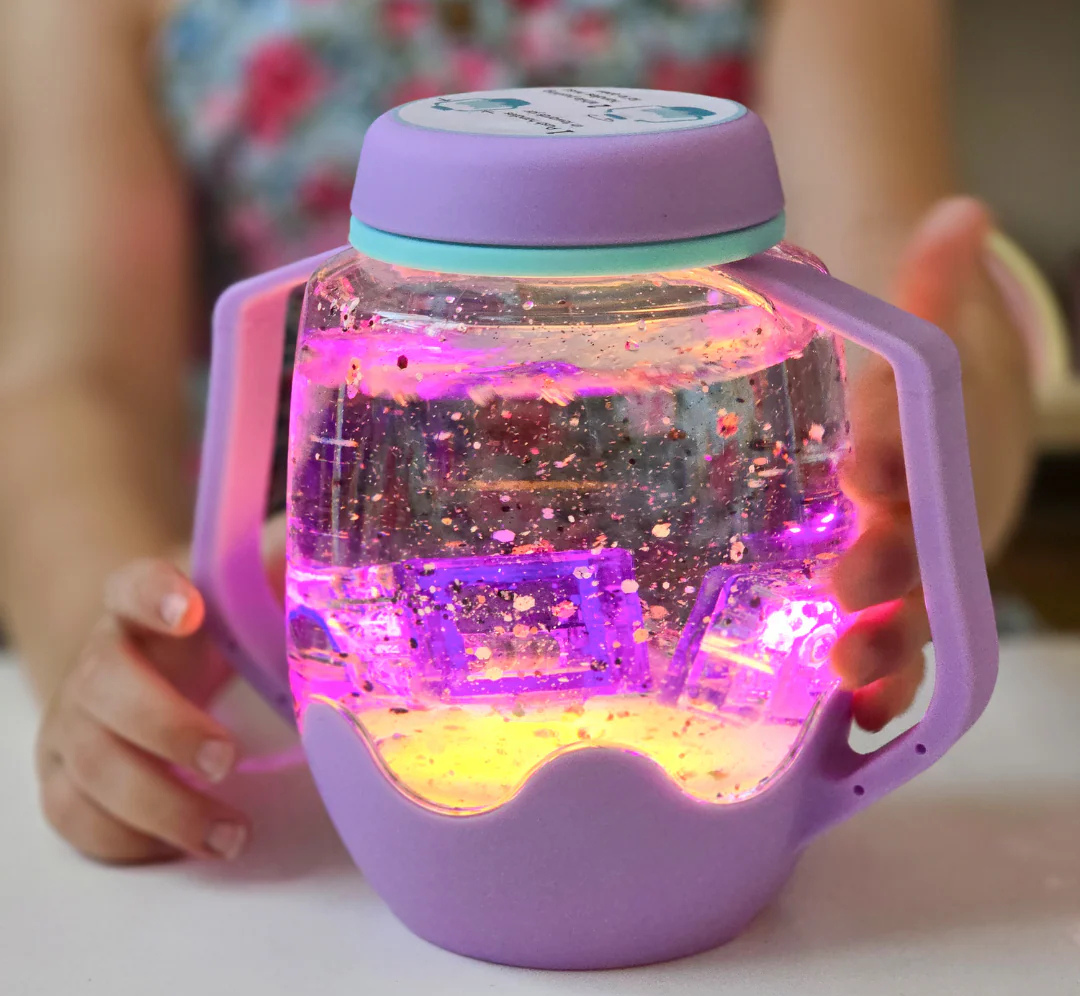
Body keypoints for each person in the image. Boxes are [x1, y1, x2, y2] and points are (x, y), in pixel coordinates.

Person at [0, 0, 1035, 863]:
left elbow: (882, 252)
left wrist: (928, 451)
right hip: (337, 635)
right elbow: (70, 378)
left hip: (732, 672)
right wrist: (125, 653)